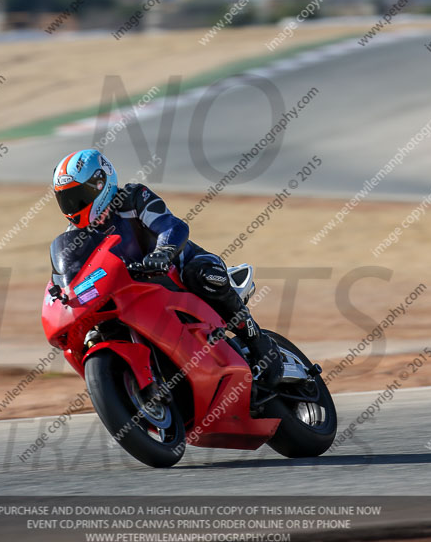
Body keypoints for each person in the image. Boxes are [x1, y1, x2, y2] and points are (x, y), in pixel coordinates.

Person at [51, 149, 283, 386]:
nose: (72, 206)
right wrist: (62, 296)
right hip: (132, 293)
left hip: (179, 269)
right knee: (95, 328)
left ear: (100, 184)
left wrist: (163, 252)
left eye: (77, 196)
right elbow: (70, 276)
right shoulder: (76, 238)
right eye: (65, 199)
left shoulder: (133, 197)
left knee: (203, 277)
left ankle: (258, 342)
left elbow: (171, 226)